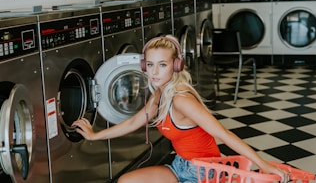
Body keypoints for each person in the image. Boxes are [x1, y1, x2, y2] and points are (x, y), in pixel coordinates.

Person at [72, 35, 289, 183]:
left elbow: (223, 134)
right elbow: (133, 122)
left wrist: (264, 165)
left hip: (204, 173)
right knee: (126, 181)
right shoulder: (160, 92)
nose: (154, 72)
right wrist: (94, 135)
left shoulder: (181, 100)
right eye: (150, 65)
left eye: (162, 65)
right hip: (180, 166)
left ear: (176, 65)